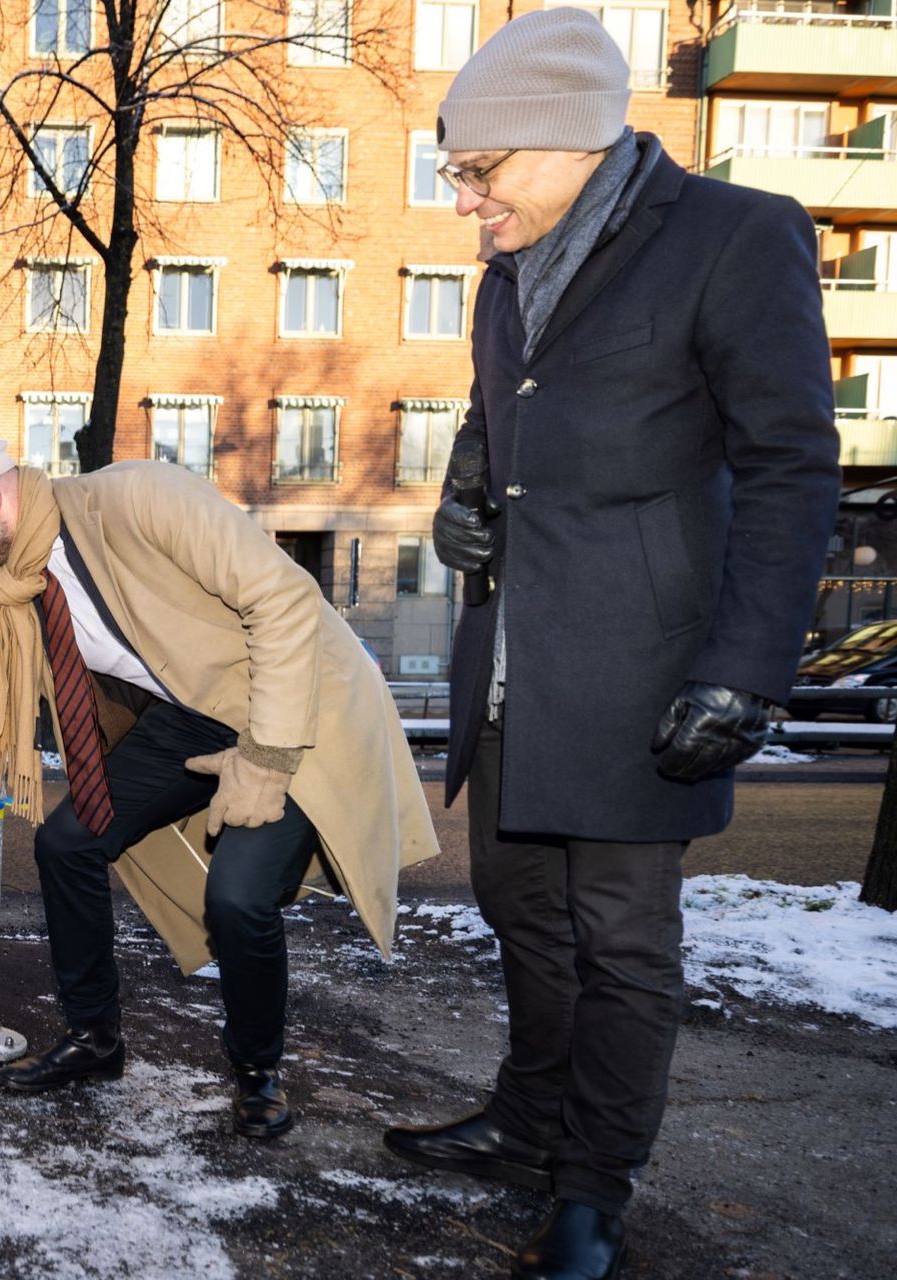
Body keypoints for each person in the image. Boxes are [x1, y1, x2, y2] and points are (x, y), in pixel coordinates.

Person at [379, 12, 840, 1280]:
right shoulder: (509, 268)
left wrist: (745, 670)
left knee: (623, 946)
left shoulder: (735, 236)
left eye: (483, 173)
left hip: (646, 667)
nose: (468, 201)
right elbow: (493, 425)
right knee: (517, 909)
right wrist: (462, 495)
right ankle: (529, 1125)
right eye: (456, 176)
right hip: (511, 660)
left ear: (572, 138)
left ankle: (595, 1187)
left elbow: (794, 467)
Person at [0, 432, 438, 1136]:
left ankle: (257, 1071)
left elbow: (284, 599)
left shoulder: (138, 498)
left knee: (237, 896)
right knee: (67, 841)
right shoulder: (23, 596)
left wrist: (265, 756)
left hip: (293, 711)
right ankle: (94, 1038)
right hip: (193, 717)